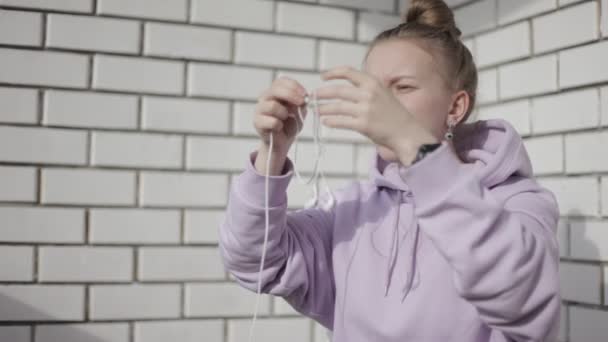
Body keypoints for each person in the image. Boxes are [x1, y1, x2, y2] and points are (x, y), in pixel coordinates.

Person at [218, 0, 561, 341]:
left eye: (403, 87)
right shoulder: (351, 209)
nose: (381, 104)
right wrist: (272, 152)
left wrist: (413, 144)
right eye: (375, 89)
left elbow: (526, 303)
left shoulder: (519, 202)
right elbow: (252, 260)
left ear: (455, 106)